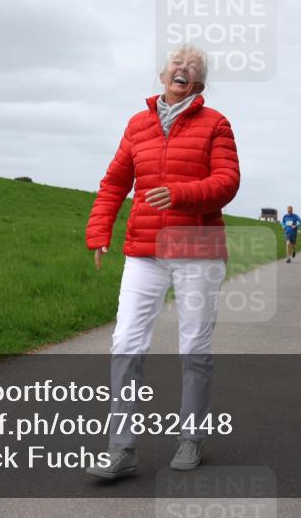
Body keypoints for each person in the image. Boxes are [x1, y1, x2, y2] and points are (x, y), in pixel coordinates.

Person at [85, 44, 240, 479]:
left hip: (198, 252)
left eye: (193, 67)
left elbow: (228, 182)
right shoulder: (138, 125)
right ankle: (122, 447)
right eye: (177, 62)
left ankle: (192, 437)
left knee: (193, 348)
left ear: (199, 83)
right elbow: (115, 181)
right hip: (145, 252)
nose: (183, 68)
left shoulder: (216, 124)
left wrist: (180, 194)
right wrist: (99, 232)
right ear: (162, 74)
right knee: (125, 345)